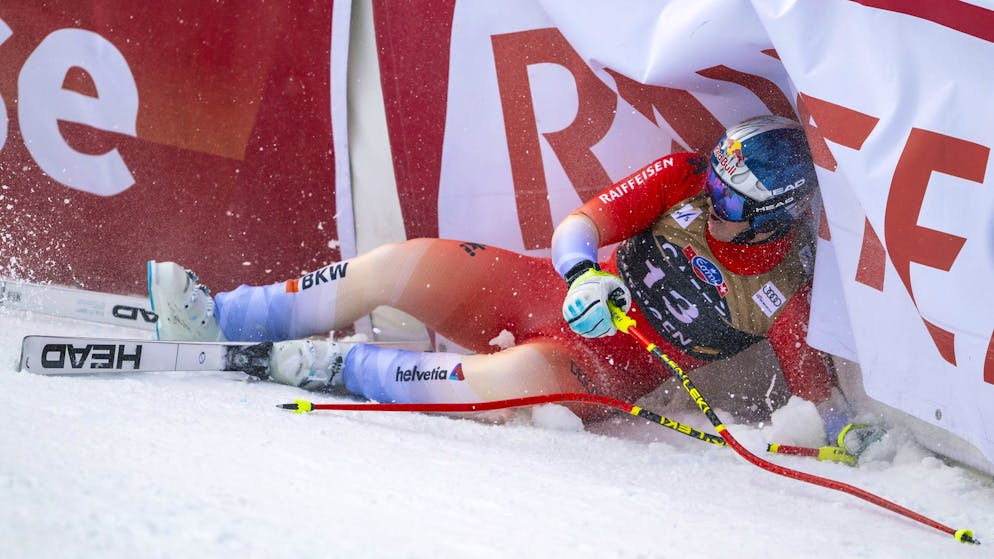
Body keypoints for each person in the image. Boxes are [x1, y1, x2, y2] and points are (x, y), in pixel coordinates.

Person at [148, 115, 882, 456]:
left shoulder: (786, 291)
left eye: (727, 198)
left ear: (771, 218)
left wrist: (857, 435)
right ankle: (226, 315)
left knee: (494, 385)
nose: (709, 193)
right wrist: (582, 272)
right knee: (400, 263)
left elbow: (818, 399)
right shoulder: (686, 175)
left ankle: (326, 366)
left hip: (597, 371)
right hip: (554, 294)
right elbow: (583, 223)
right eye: (712, 179)